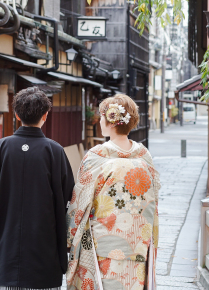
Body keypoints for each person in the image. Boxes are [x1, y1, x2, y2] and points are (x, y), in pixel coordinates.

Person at [0, 86, 76, 290]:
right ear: (45, 116)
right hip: (44, 254)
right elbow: (70, 201)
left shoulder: (3, 148)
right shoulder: (54, 151)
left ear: (16, 115)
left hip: (6, 254)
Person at [66, 94, 160, 290]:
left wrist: (70, 236)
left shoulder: (96, 157)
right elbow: (153, 202)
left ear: (110, 121)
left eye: (101, 117)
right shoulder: (144, 156)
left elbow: (80, 204)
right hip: (138, 244)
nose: (99, 121)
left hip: (103, 246)